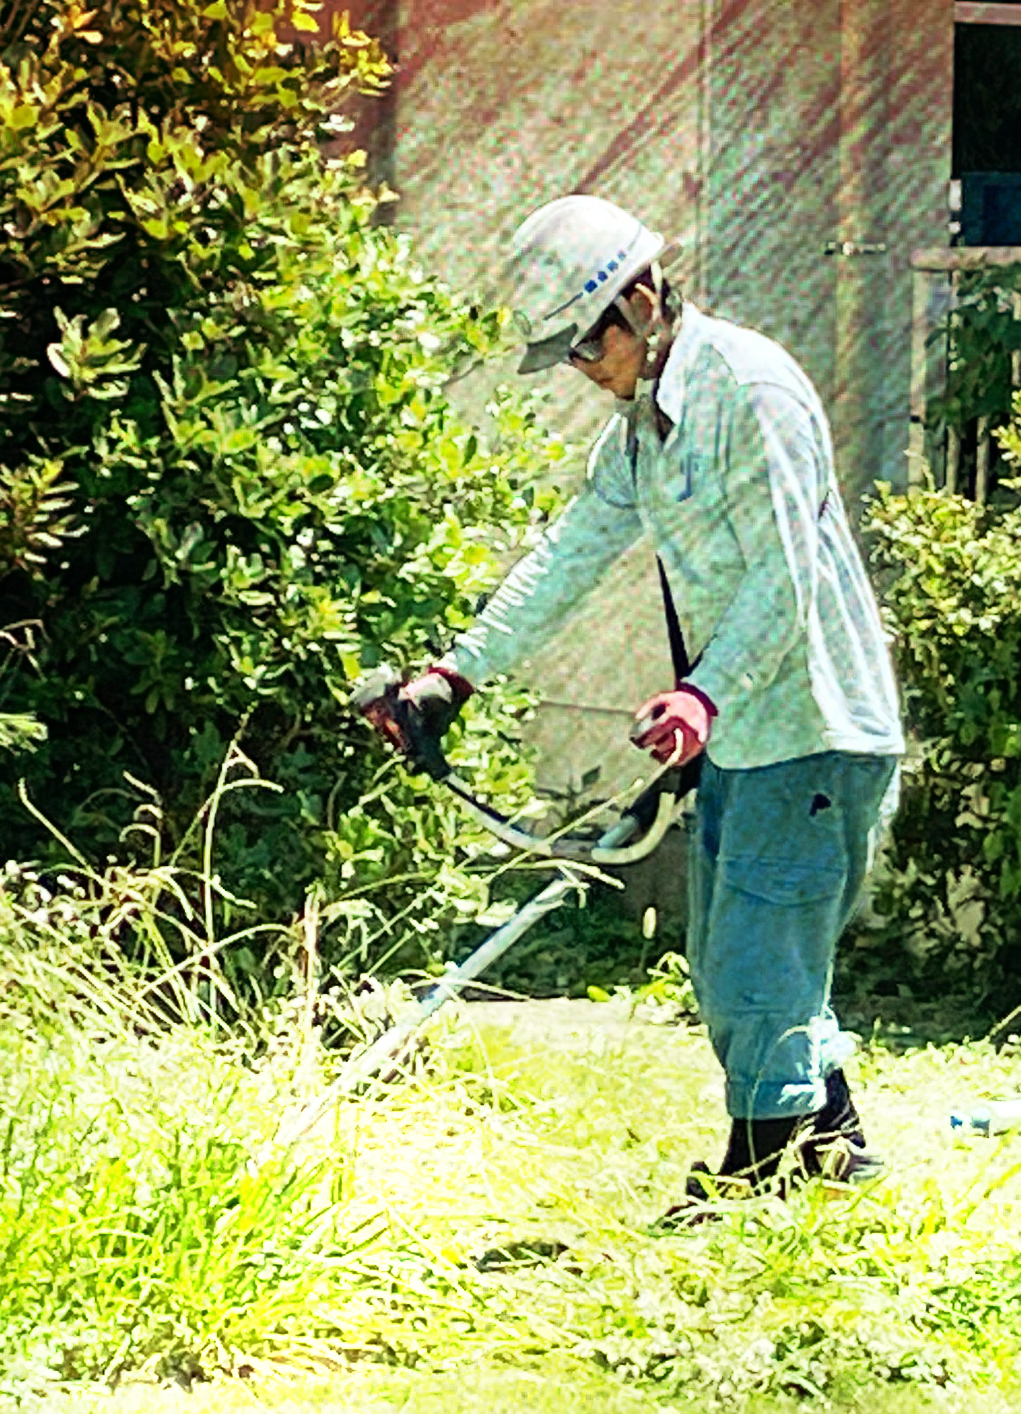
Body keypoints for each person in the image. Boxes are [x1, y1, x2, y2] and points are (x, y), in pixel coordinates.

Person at [369, 194, 904, 1207]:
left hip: (814, 723)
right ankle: (835, 1153)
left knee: (755, 948)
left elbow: (784, 581)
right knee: (733, 952)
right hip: (751, 724)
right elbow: (567, 555)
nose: (581, 369)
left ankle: (760, 1181)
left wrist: (701, 693)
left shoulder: (748, 392)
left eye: (585, 345)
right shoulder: (642, 431)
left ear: (643, 300)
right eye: (566, 356)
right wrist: (455, 673)